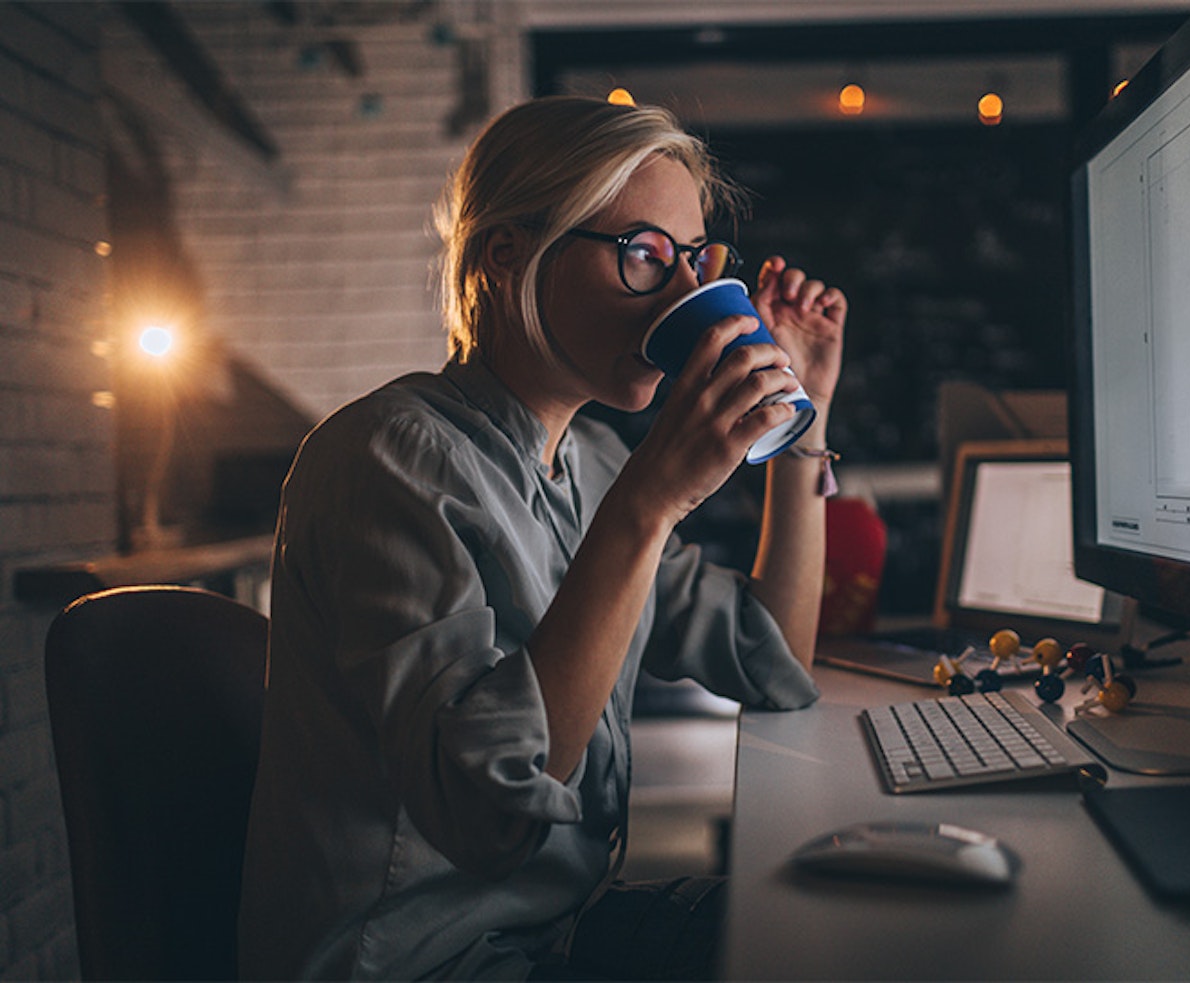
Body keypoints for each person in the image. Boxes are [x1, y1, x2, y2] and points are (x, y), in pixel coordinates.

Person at [237, 95, 847, 980]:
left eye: (694, 259)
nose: (686, 293)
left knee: (838, 923)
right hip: (420, 963)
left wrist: (802, 425)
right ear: (506, 258)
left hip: (555, 934)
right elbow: (490, 811)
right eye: (644, 255)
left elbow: (772, 658)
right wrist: (651, 502)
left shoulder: (593, 459)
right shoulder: (386, 457)